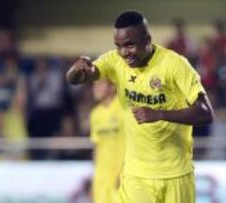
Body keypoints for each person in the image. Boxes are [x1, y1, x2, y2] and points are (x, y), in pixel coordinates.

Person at [66, 11, 214, 203]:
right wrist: (78, 69)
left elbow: (205, 112)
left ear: (147, 40)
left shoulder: (175, 65)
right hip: (136, 176)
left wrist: (160, 113)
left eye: (129, 45)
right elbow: (76, 78)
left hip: (176, 174)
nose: (124, 52)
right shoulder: (115, 61)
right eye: (118, 46)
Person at [90, 80, 125, 203]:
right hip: (101, 177)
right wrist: (94, 176)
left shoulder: (124, 109)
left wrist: (124, 172)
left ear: (112, 87)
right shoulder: (95, 114)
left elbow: (134, 143)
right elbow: (96, 147)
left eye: (100, 84)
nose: (95, 88)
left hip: (121, 175)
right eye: (95, 84)